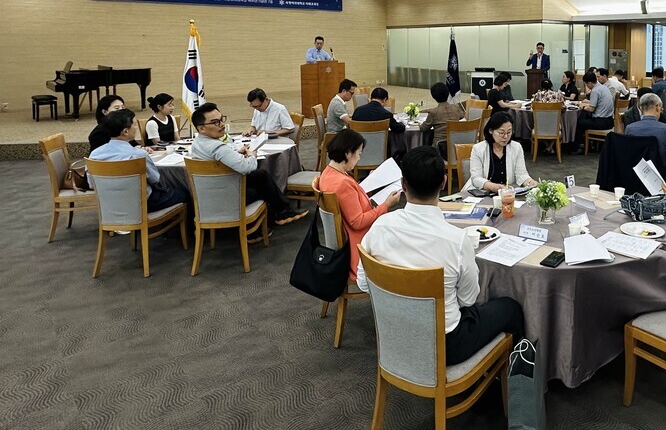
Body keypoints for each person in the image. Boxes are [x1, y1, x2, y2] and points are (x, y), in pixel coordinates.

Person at [358, 146, 524, 366]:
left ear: (402, 185)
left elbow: (363, 283)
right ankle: (509, 382)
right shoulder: (456, 240)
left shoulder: (380, 226)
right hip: (446, 345)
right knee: (510, 308)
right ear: (444, 183)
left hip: (394, 334)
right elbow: (468, 300)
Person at [190, 103, 309, 229]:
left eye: (221, 119)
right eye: (215, 122)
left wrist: (235, 153)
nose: (222, 124)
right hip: (228, 196)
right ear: (202, 128)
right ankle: (258, 228)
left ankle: (281, 213)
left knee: (261, 175)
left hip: (209, 194)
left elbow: (218, 160)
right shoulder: (218, 148)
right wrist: (252, 154)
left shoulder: (197, 143)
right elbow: (247, 168)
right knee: (262, 187)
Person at [313, 129, 401, 280]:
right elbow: (357, 222)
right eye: (359, 154)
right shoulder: (343, 183)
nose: (359, 159)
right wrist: (386, 205)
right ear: (348, 153)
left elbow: (350, 201)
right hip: (360, 243)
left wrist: (371, 185)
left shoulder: (328, 173)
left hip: (348, 242)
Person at [89, 109, 190, 212]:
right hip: (142, 203)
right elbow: (155, 179)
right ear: (125, 131)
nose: (136, 127)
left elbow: (91, 183)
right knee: (184, 193)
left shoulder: (95, 154)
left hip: (109, 204)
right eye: (134, 124)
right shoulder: (138, 155)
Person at [464, 112, 536, 191]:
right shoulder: (478, 149)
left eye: (509, 132)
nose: (505, 137)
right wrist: (493, 187)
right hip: (483, 193)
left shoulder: (516, 147)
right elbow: (476, 178)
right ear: (491, 131)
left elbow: (521, 174)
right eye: (501, 133)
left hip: (507, 193)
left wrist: (530, 182)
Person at [624, 93, 666, 166]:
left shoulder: (629, 129)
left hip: (635, 172)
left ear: (640, 108)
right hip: (659, 174)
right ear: (657, 107)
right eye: (661, 108)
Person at [571, 72, 615, 154]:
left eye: (586, 84)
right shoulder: (604, 87)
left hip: (601, 122)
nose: (586, 86)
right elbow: (597, 103)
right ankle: (584, 144)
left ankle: (576, 147)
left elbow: (591, 109)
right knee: (584, 118)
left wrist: (582, 106)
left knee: (579, 122)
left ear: (589, 83)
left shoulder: (595, 90)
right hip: (609, 120)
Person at [420, 82, 466, 157]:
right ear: (448, 94)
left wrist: (418, 124)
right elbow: (462, 116)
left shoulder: (433, 113)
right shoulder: (456, 108)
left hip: (439, 148)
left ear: (433, 96)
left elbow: (423, 129)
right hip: (456, 146)